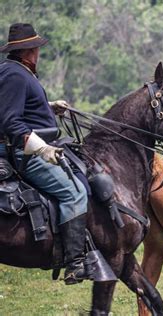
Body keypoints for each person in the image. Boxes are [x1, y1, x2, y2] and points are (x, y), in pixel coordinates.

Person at [0, 23, 88, 284]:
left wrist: (48, 107)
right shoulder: (16, 75)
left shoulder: (14, 71)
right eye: (36, 48)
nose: (38, 52)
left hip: (26, 147)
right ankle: (75, 263)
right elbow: (10, 121)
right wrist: (43, 148)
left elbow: (14, 105)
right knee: (74, 192)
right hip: (24, 153)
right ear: (27, 51)